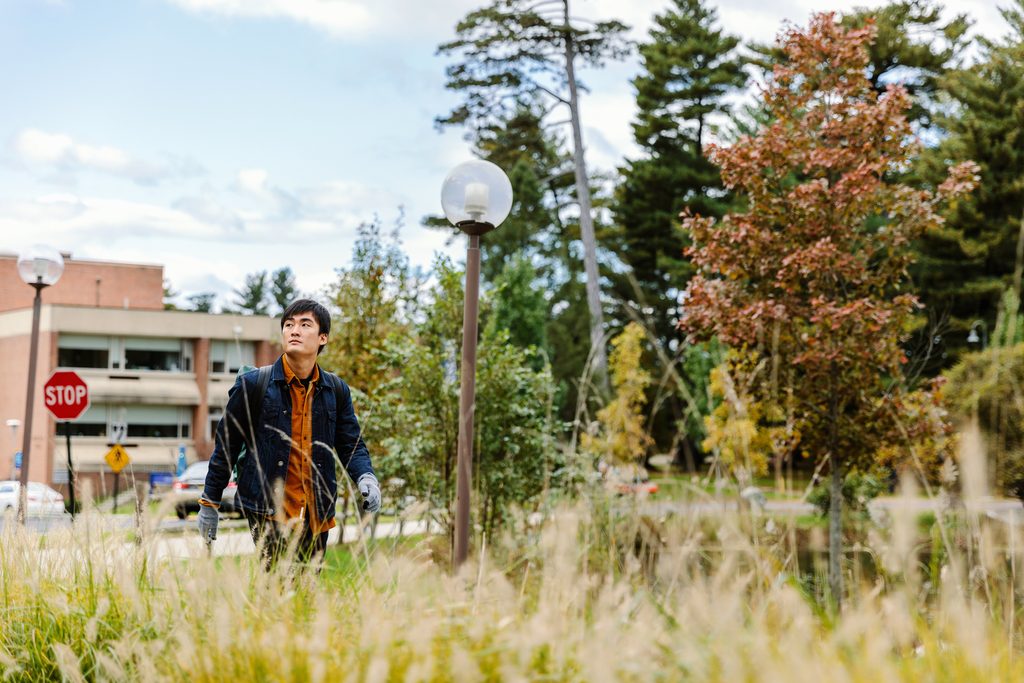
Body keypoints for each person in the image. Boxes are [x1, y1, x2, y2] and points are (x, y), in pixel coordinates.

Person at [197, 298, 380, 569]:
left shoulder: (336, 390)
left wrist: (366, 475)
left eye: (305, 325)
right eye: (289, 325)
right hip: (267, 510)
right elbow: (227, 445)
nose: (294, 330)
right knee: (274, 590)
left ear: (322, 338)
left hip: (317, 512)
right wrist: (209, 502)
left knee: (306, 592)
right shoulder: (253, 385)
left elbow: (350, 444)